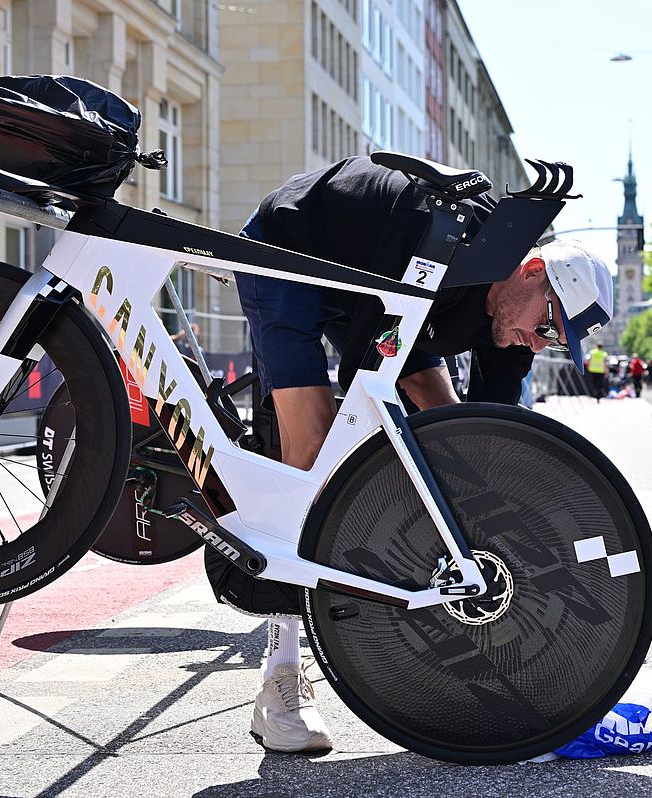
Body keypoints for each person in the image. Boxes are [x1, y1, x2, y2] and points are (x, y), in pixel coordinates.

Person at [234, 155, 613, 753]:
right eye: (546, 327)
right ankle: (282, 675)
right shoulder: (453, 248)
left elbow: (490, 448)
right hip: (296, 251)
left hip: (383, 296)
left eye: (552, 342)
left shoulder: (510, 323)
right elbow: (369, 376)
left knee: (448, 439)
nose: (537, 344)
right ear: (532, 271)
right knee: (316, 460)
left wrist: (521, 570)